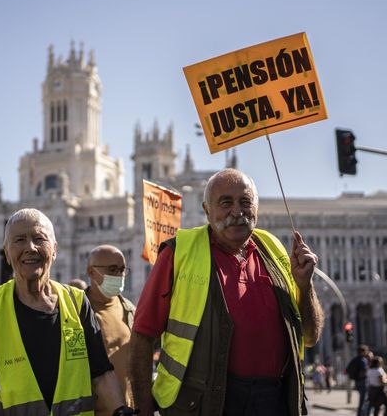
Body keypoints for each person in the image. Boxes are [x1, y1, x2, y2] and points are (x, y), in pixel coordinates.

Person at [130, 169, 324, 416]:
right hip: (203, 404)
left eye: (245, 202)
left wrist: (305, 287)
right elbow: (142, 336)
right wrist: (143, 410)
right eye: (226, 202)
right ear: (206, 209)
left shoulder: (274, 251)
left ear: (256, 208)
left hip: (274, 401)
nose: (237, 211)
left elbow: (309, 335)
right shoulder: (178, 253)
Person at [0, 208, 133, 416]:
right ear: (6, 252)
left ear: (55, 249)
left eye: (39, 238)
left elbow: (101, 372)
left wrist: (121, 410)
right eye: (19, 240)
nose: (30, 247)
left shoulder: (77, 302)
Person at [85, 245, 136, 413]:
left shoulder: (129, 309)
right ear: (91, 272)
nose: (118, 275)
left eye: (122, 270)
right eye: (112, 269)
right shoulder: (75, 312)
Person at [348, 345, 371, 416]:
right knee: (363, 401)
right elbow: (365, 370)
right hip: (363, 381)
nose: (367, 352)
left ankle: (362, 414)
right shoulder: (363, 360)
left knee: (364, 400)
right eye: (366, 351)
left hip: (357, 381)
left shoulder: (354, 359)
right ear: (363, 352)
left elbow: (347, 369)